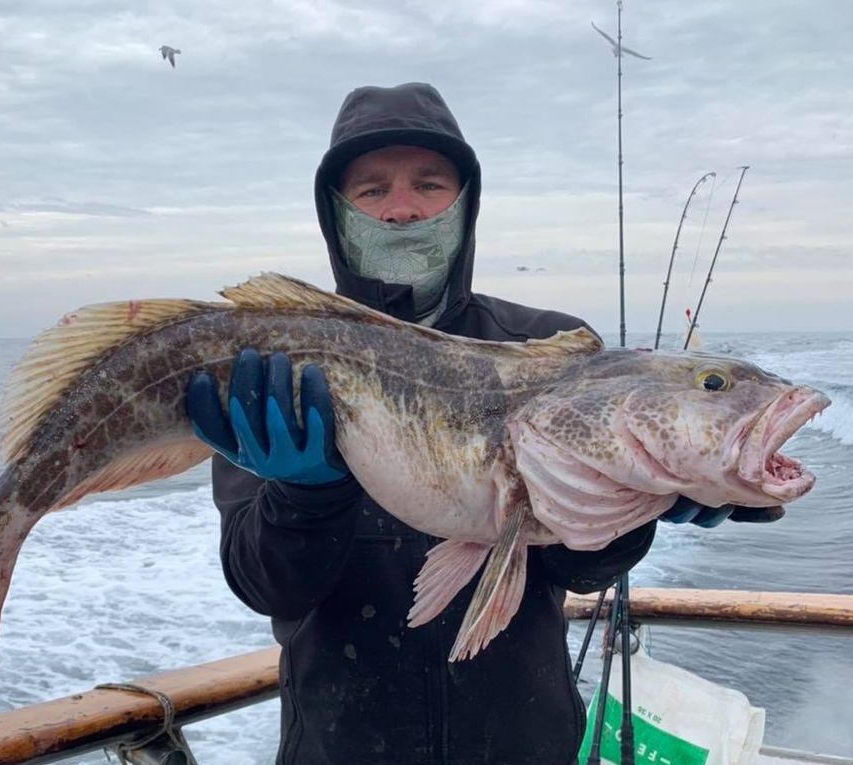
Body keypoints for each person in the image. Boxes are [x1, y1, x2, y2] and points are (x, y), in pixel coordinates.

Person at [185, 82, 780, 765]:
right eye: (373, 190)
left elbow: (578, 570)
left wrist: (637, 505)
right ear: (337, 212)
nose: (403, 208)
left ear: (466, 202)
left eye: (429, 184)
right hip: (337, 742)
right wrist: (303, 497)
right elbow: (266, 586)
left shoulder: (553, 348)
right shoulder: (276, 363)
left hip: (526, 741)